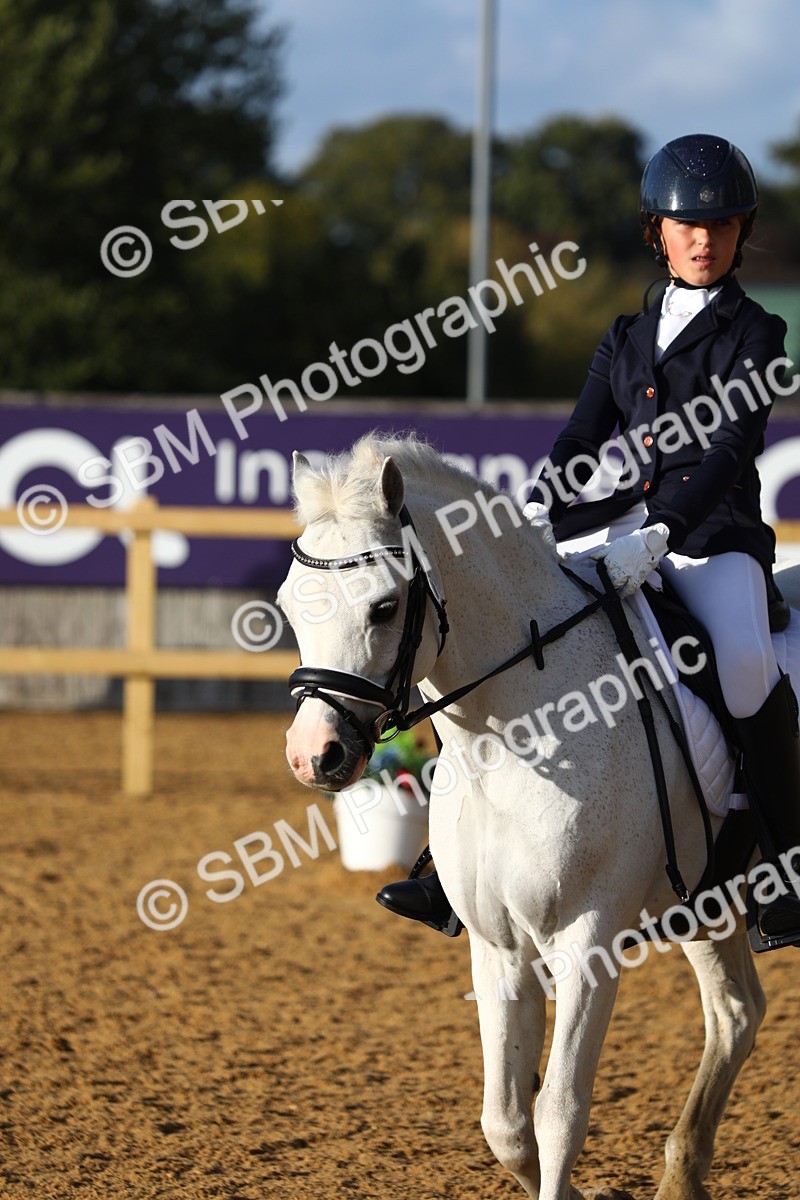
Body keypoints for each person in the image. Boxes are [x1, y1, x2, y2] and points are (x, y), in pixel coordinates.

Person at [376, 133, 800, 952]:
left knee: (746, 667)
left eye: (719, 226)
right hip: (616, 523)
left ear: (743, 231)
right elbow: (579, 440)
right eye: (686, 226)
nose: (703, 240)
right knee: (497, 632)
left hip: (714, 541)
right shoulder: (625, 336)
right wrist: (542, 511)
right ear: (658, 233)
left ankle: (786, 868)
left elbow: (728, 452)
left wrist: (666, 533)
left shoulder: (759, 334)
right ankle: (445, 862)